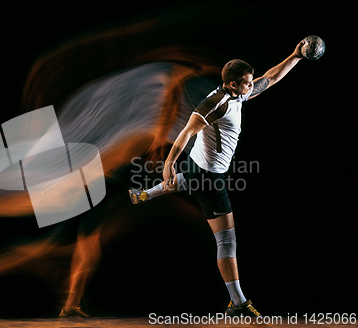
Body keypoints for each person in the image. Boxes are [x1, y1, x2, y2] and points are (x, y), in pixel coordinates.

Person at [129, 40, 305, 317]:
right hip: (211, 179)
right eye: (246, 82)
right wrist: (168, 164)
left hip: (197, 168)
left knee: (189, 180)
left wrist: (295, 56)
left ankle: (147, 194)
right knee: (226, 241)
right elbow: (187, 132)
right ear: (232, 84)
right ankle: (238, 302)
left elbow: (270, 79)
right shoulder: (215, 103)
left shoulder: (238, 95)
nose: (251, 85)